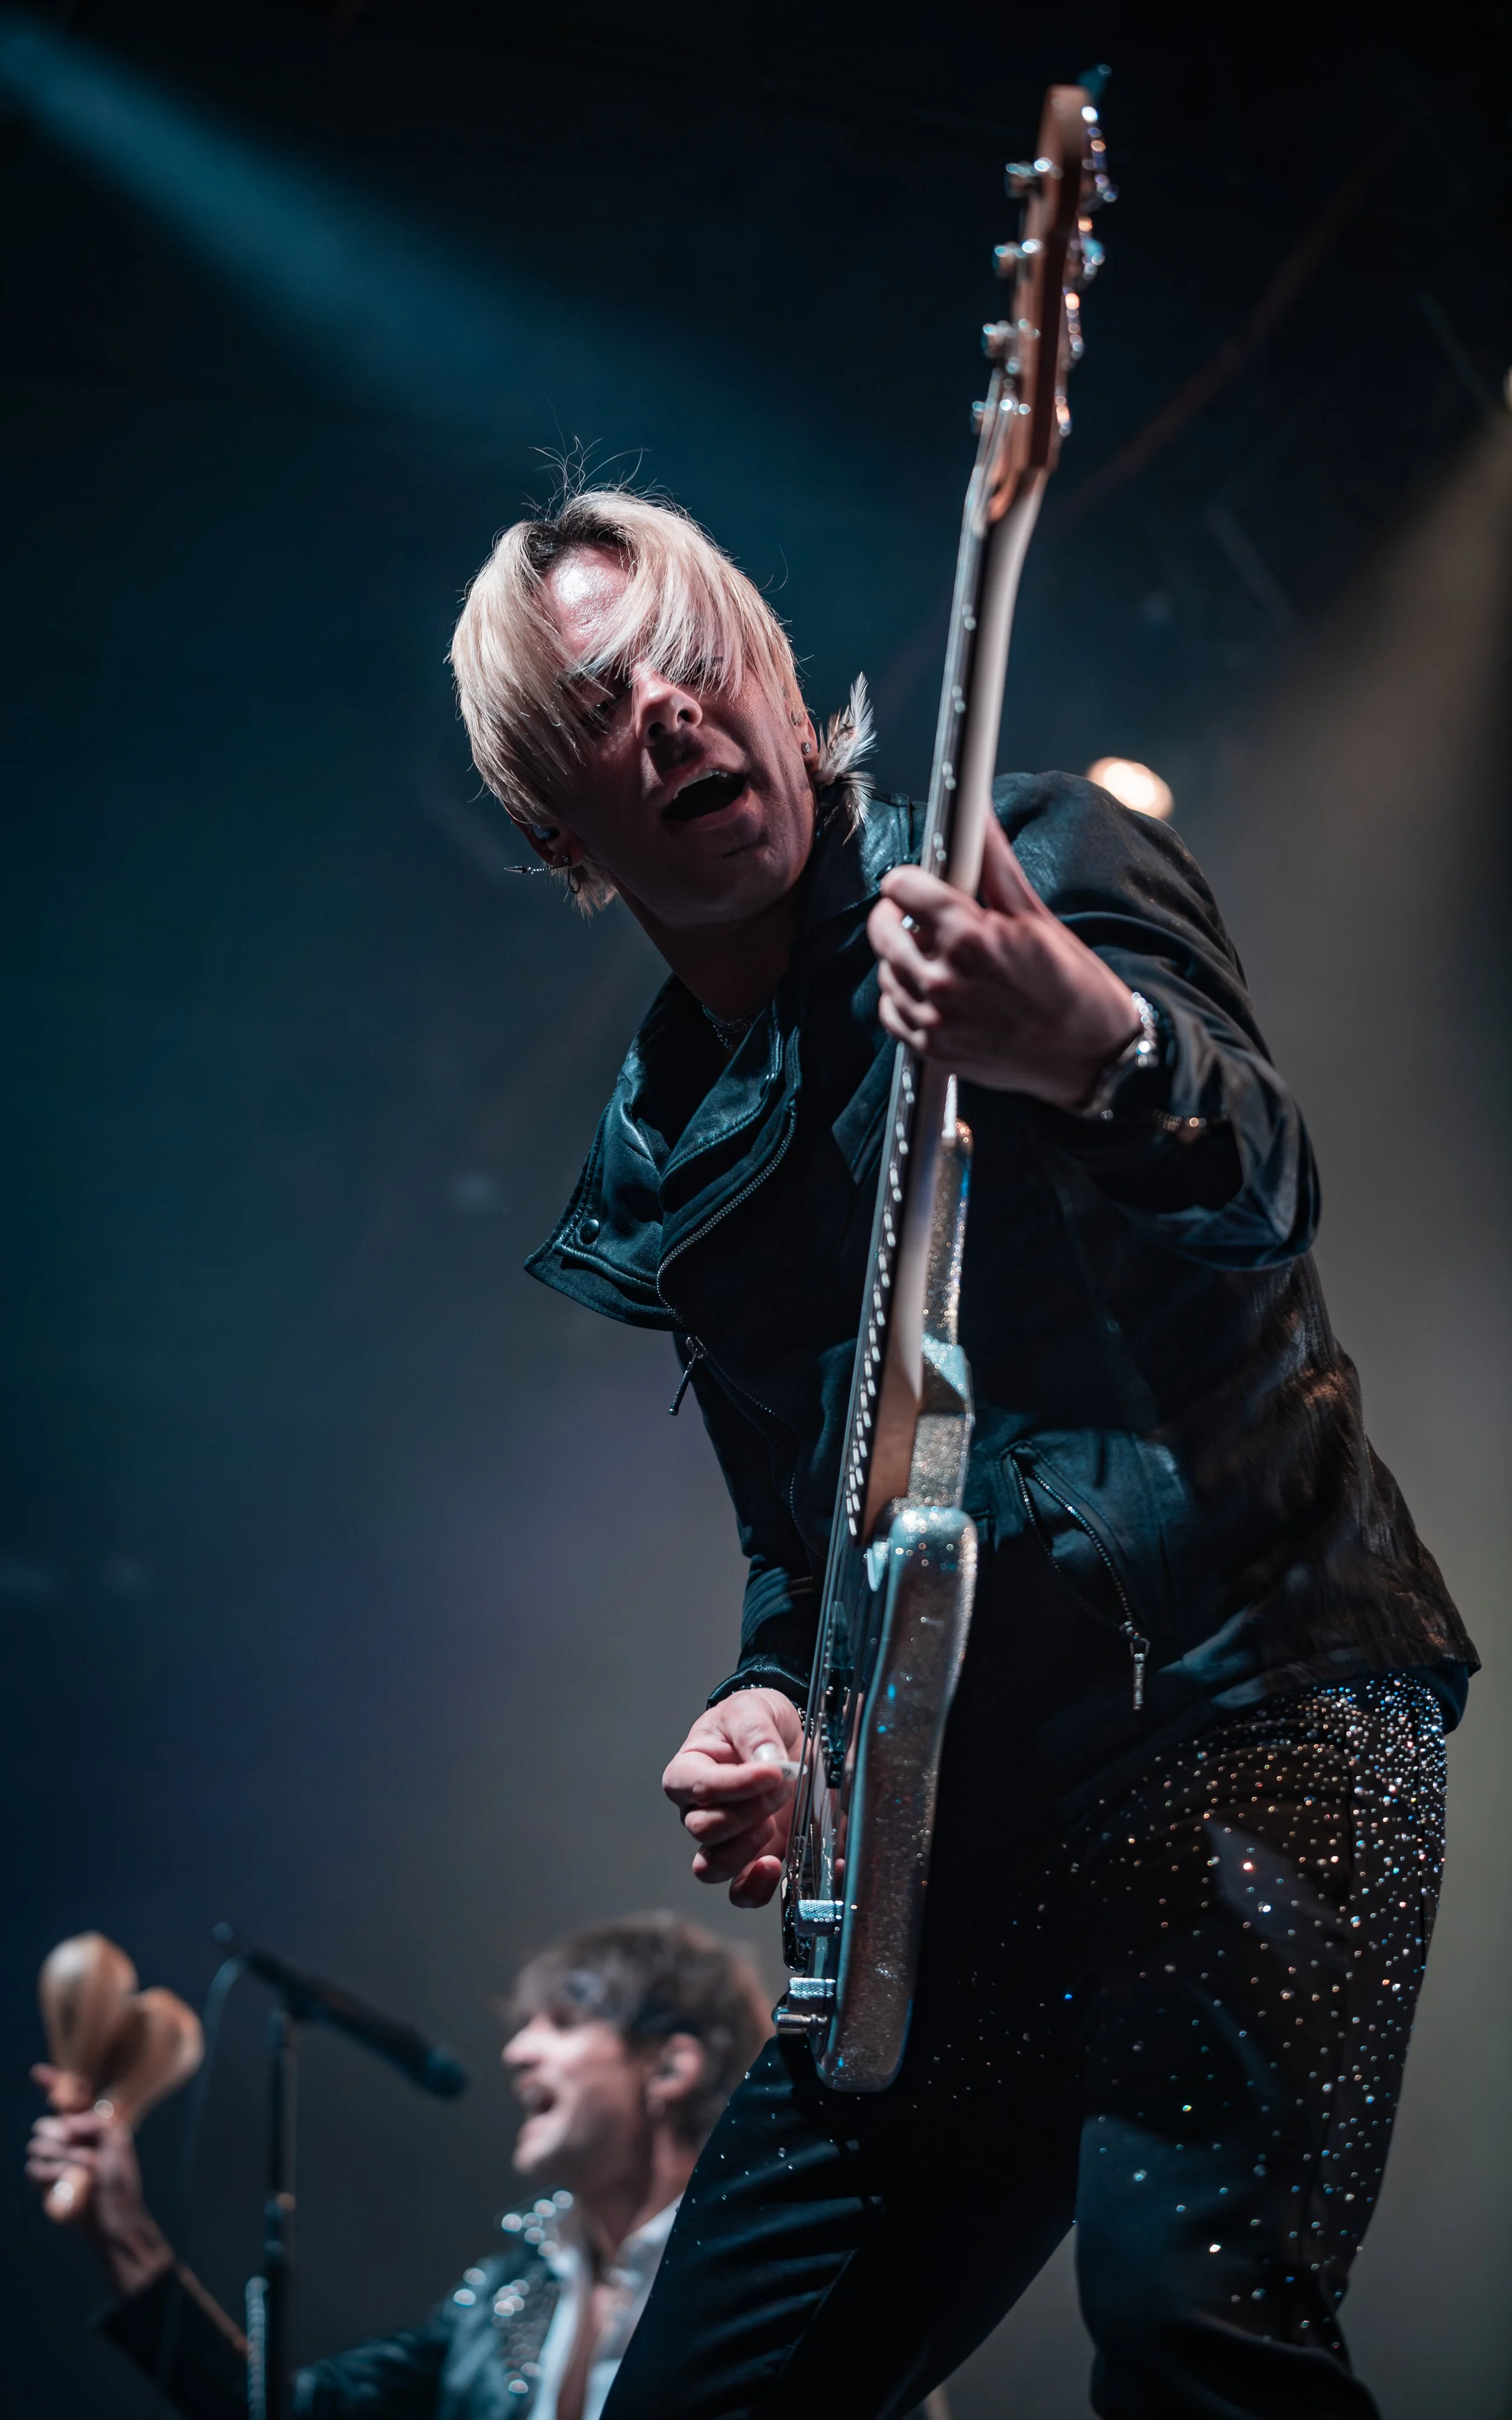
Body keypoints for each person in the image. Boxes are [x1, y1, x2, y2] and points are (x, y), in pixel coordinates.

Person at [445, 487, 1478, 2420]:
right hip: (946, 1835)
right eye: (599, 702)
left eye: (690, 657)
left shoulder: (1027, 860)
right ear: (550, 825)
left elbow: (1266, 1188)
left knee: (1196, 2341)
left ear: (776, 683)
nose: (665, 708)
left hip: (1243, 1701)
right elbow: (804, 1540)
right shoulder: (666, 1148)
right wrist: (769, 1702)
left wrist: (1092, 1046)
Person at [25, 1914, 770, 2420]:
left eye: (565, 2022)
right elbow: (294, 2413)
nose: (516, 2050)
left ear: (670, 2065)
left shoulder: (763, 2281)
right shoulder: (502, 2298)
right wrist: (126, 2235)